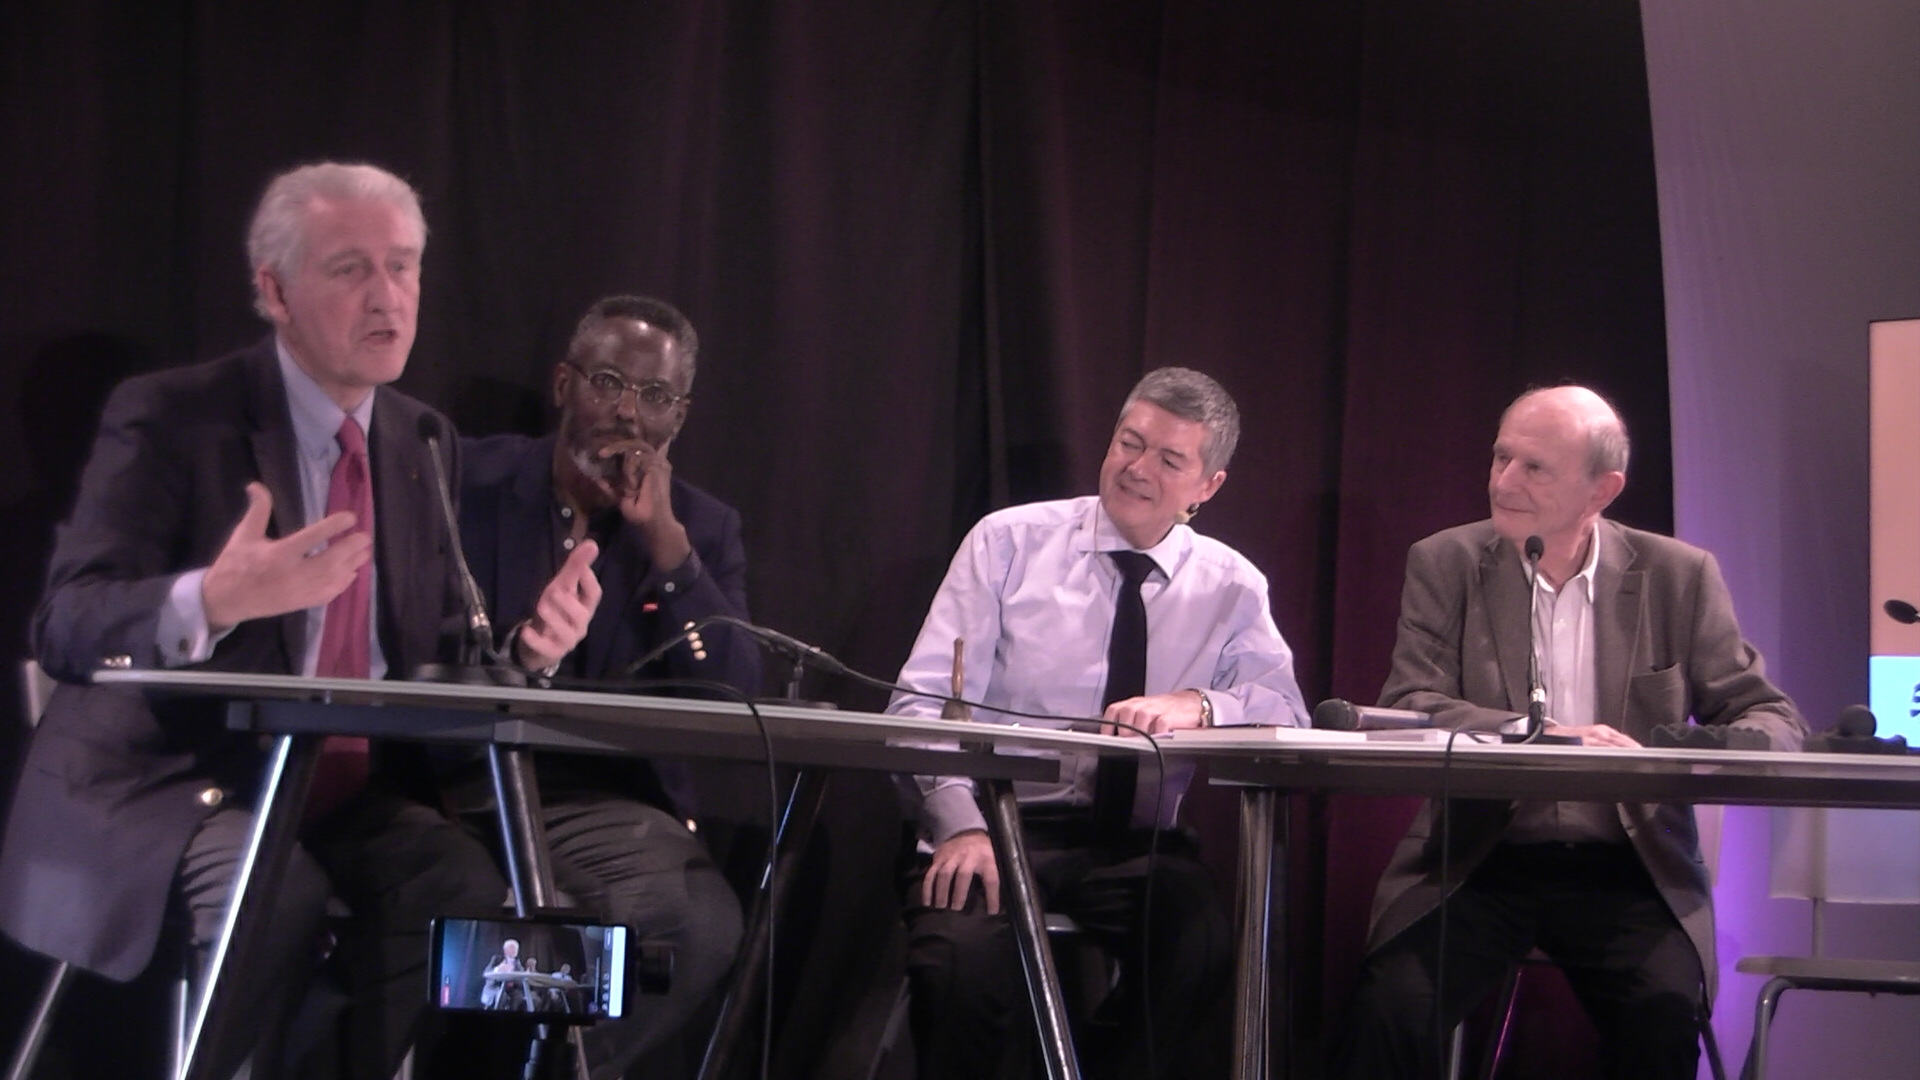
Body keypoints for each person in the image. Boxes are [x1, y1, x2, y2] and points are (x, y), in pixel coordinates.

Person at [0, 162, 511, 1079]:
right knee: (272, 893)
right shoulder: (173, 418)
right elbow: (66, 625)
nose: (387, 295)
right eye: (350, 269)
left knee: (461, 886)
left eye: (403, 265)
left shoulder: (421, 440)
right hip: (166, 785)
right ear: (275, 292)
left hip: (331, 791)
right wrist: (211, 600)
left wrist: (521, 654)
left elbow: (424, 649)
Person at [1334, 385, 1808, 1079]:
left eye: (1534, 468)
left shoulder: (1678, 575)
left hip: (1627, 865)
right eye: (1500, 457)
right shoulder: (1447, 561)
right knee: (1391, 1007)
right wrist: (1542, 735)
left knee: (1662, 1017)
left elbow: (1769, 716)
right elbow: (1411, 701)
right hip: (1479, 858)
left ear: (1601, 490)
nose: (1504, 482)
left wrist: (1684, 752)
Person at [887, 367, 1310, 1080]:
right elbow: (919, 704)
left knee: (1201, 946)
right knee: (960, 965)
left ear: (1208, 486)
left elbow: (1286, 713)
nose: (1137, 468)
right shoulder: (1008, 543)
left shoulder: (1231, 584)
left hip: (1135, 846)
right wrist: (959, 823)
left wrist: (1201, 705)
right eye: (1129, 443)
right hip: (996, 824)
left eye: (1169, 459)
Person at [454, 294, 753, 1078]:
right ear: (564, 384)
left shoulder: (700, 530)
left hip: (610, 804)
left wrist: (668, 550)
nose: (626, 412)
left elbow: (734, 697)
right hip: (465, 783)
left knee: (698, 924)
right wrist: (519, 655)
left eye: (653, 395)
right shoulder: (465, 481)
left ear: (678, 418)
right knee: (482, 913)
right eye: (608, 382)